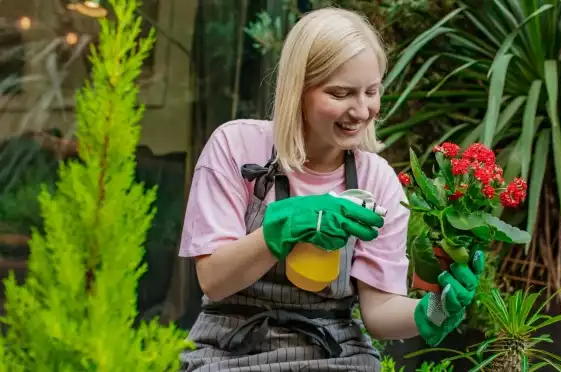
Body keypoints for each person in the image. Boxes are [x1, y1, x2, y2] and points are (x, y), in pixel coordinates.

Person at [178, 7, 484, 372]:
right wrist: (279, 229)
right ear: (299, 90)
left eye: (371, 91)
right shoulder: (235, 147)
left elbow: (379, 310)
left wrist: (434, 309)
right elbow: (214, 280)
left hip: (336, 354)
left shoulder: (376, 179)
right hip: (231, 349)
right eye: (340, 94)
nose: (361, 110)